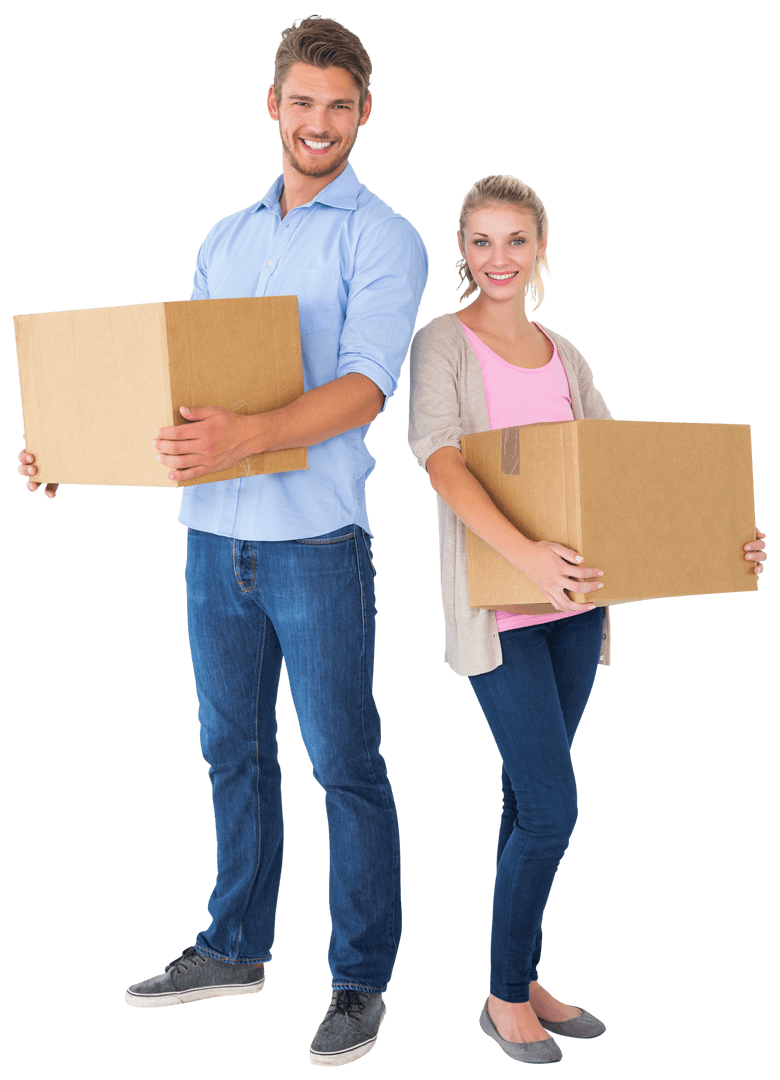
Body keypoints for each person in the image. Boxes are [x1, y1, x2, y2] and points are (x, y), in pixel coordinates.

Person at [18, 17, 427, 1069]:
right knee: (229, 752)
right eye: (302, 102)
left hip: (317, 542)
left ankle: (359, 980)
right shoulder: (224, 238)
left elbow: (365, 384)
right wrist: (76, 447)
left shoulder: (383, 236)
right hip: (213, 543)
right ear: (273, 106)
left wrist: (251, 432)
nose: (319, 123)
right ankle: (235, 947)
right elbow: (182, 393)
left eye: (339, 106)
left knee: (344, 763)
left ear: (363, 114)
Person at [407, 173, 766, 1065]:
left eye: (516, 240)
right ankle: (499, 997)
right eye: (482, 241)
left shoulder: (565, 354)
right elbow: (441, 462)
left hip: (574, 611)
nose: (499, 258)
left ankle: (522, 975)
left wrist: (728, 537)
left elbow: (623, 471)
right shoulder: (441, 344)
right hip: (502, 610)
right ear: (463, 250)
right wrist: (526, 555)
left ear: (541, 250)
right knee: (554, 808)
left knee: (527, 801)